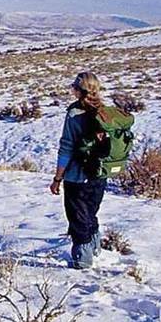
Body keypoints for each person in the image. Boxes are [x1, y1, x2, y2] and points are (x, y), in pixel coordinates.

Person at [49, 72, 107, 269]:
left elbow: (66, 147)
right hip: (99, 174)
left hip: (77, 176)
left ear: (78, 90)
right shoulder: (105, 111)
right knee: (91, 212)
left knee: (77, 217)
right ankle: (95, 247)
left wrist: (58, 178)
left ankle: (83, 262)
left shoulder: (74, 113)